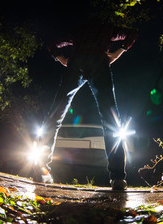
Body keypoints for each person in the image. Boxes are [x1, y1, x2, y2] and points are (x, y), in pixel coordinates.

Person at [43, 19, 138, 190]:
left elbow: (51, 42)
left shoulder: (78, 29)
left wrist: (60, 57)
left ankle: (41, 169)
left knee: (56, 115)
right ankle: (117, 178)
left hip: (76, 62)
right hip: (98, 62)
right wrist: (118, 52)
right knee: (110, 118)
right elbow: (132, 34)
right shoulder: (107, 28)